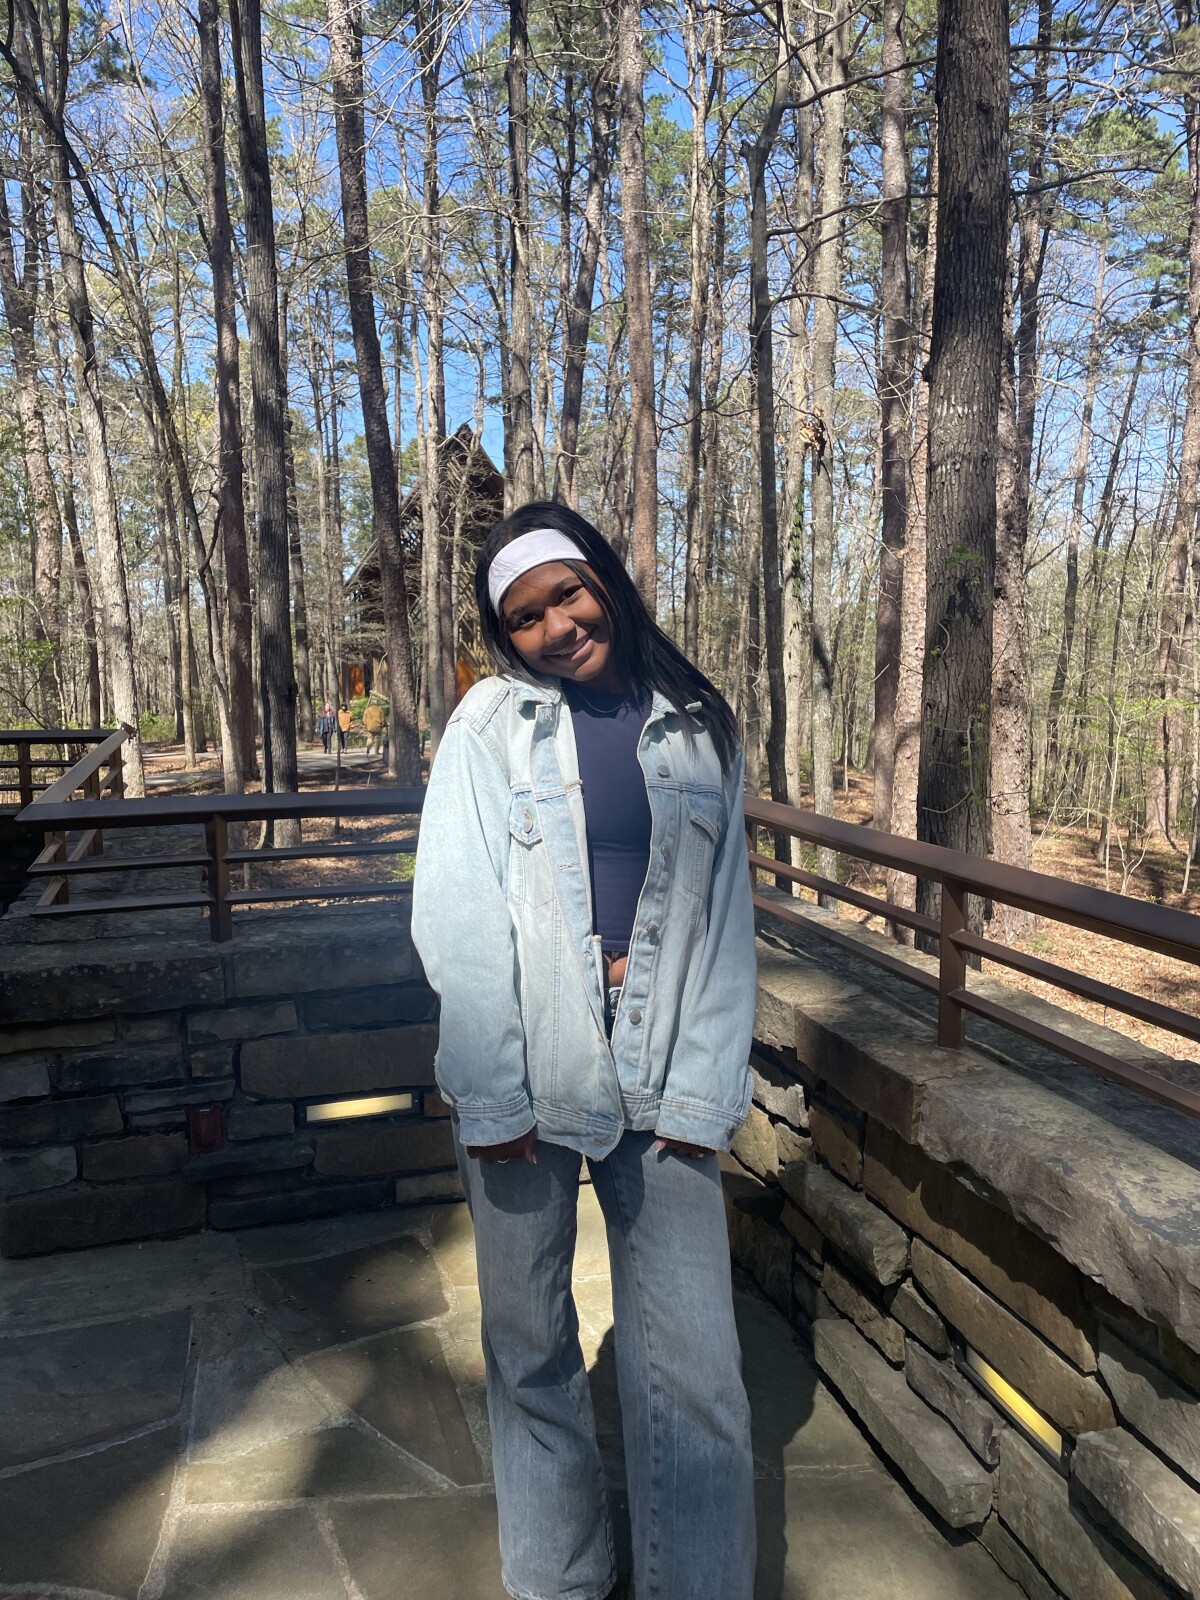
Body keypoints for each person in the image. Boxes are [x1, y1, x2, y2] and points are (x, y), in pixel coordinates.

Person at [412, 502, 757, 1600]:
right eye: (525, 617)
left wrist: (705, 1093)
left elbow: (726, 924)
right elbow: (459, 913)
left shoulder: (698, 727)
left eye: (568, 593)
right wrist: (492, 1095)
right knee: (531, 1355)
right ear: (504, 634)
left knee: (698, 1372)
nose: (557, 626)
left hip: (664, 1067)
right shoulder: (490, 725)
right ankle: (559, 1580)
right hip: (528, 1067)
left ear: (605, 577)